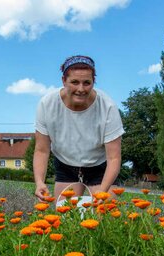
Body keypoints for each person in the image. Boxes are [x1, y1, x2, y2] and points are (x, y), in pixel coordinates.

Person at [33, 55, 125, 202]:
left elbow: (114, 158)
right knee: (65, 216)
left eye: (87, 83)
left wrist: (101, 194)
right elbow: (41, 150)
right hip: (66, 165)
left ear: (94, 82)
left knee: (103, 216)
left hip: (100, 167)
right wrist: (39, 182)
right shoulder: (47, 104)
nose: (81, 89)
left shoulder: (108, 107)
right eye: (74, 82)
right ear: (64, 81)